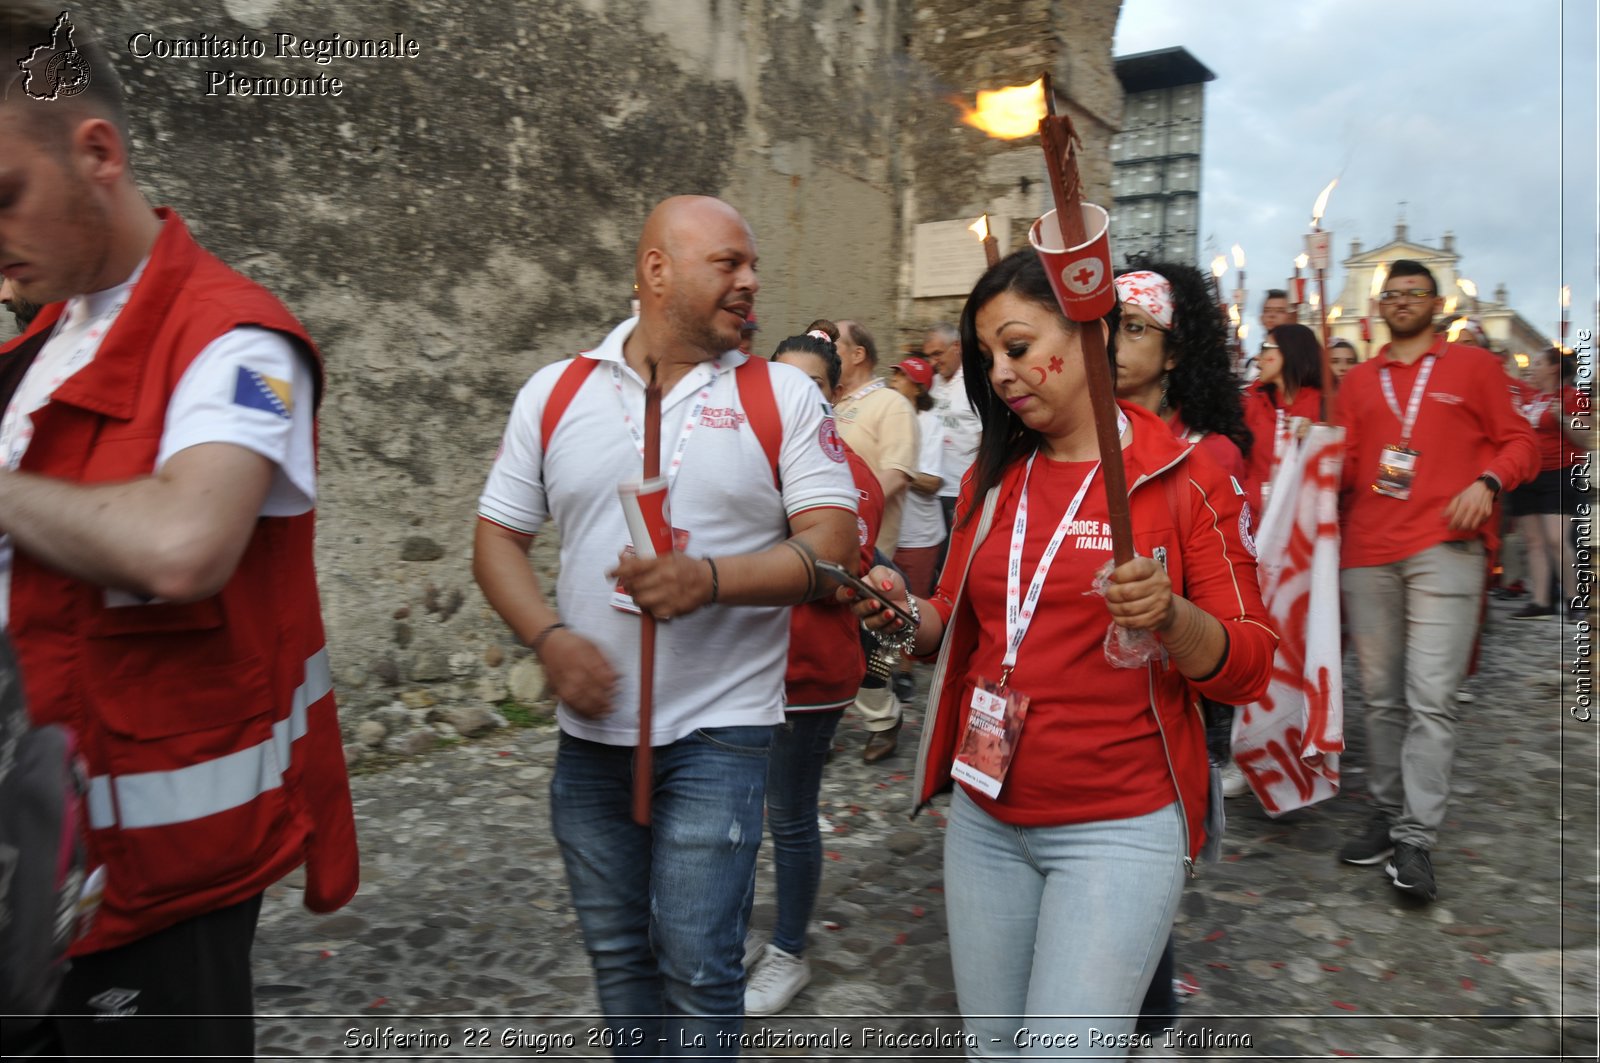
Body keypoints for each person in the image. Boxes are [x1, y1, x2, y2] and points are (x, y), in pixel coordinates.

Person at [0, 6, 358, 1057]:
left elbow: (183, 544)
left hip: (157, 883)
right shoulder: (33, 354)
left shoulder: (237, 339)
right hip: (36, 860)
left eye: (4, 196)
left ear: (96, 154)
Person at [853, 249, 1276, 1056]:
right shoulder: (994, 477)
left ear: (1090, 335)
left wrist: (1173, 617)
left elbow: (1250, 659)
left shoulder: (1190, 474)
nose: (1002, 373)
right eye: (987, 358)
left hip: (1119, 827)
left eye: (1016, 346)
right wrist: (894, 616)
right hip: (985, 814)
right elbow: (948, 626)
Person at [473, 195, 858, 1057]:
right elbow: (496, 536)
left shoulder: (783, 395)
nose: (752, 281)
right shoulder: (557, 390)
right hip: (589, 741)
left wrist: (709, 580)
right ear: (657, 271)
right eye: (729, 263)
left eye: (751, 264)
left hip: (720, 737)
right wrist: (548, 636)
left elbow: (834, 550)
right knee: (619, 966)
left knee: (697, 969)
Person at [1334, 259, 1538, 901]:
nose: (1400, 301)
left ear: (1436, 301)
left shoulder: (1473, 367)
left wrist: (1489, 482)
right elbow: (1347, 467)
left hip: (1444, 546)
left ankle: (1416, 838)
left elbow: (1522, 442)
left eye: (1412, 292)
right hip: (1368, 549)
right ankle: (1389, 812)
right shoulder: (1360, 379)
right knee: (1381, 698)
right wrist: (1311, 452)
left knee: (1430, 697)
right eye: (1389, 294)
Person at [1109, 261, 1258, 1038]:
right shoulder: (1067, 438)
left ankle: (1155, 1021)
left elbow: (1232, 614)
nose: (1113, 343)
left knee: (1142, 873)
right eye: (1104, 325)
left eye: (1134, 329)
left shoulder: (1209, 459)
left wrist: (1168, 614)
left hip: (1168, 699)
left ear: (1173, 353)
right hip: (1087, 702)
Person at [743, 331, 884, 1017]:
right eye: (779, 380)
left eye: (807, 384)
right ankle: (734, 930)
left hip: (808, 672)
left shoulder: (849, 471)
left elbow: (839, 576)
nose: (790, 396)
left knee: (789, 815)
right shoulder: (742, 453)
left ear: (830, 395)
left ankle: (788, 949)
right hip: (738, 665)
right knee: (734, 809)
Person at [832, 318, 919, 760]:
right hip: (823, 544)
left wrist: (845, 512)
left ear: (858, 354)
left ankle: (884, 717)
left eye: (835, 345)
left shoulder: (890, 404)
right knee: (822, 642)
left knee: (871, 644)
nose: (827, 352)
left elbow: (897, 475)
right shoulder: (827, 401)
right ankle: (817, 728)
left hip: (869, 548)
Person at [1506, 348, 1586, 621]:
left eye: (1538, 363)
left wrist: (1563, 418)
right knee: (1533, 541)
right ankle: (1541, 601)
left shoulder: (1574, 397)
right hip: (1527, 474)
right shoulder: (1529, 396)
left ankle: (1574, 599)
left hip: (1560, 473)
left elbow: (1586, 438)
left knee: (1556, 540)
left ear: (1554, 368)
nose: (1532, 367)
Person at [886, 353, 946, 703]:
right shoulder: (889, 415)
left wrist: (897, 471)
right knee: (881, 603)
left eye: (902, 375)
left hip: (920, 535)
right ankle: (881, 666)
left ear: (918, 386)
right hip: (890, 529)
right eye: (894, 373)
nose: (894, 379)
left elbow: (933, 481)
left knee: (912, 605)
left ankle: (906, 671)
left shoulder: (930, 423)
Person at [1243, 322, 1324, 513]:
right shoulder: (1250, 401)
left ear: (1289, 352)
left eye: (1264, 349)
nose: (1257, 358)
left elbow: (1340, 473)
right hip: (1255, 523)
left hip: (1302, 524)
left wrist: (1317, 439)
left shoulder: (1326, 405)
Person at [923, 322, 982, 550]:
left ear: (956, 346)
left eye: (937, 354)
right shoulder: (932, 384)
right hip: (931, 490)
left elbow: (985, 438)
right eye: (928, 356)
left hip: (962, 490)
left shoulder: (975, 383)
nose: (932, 362)